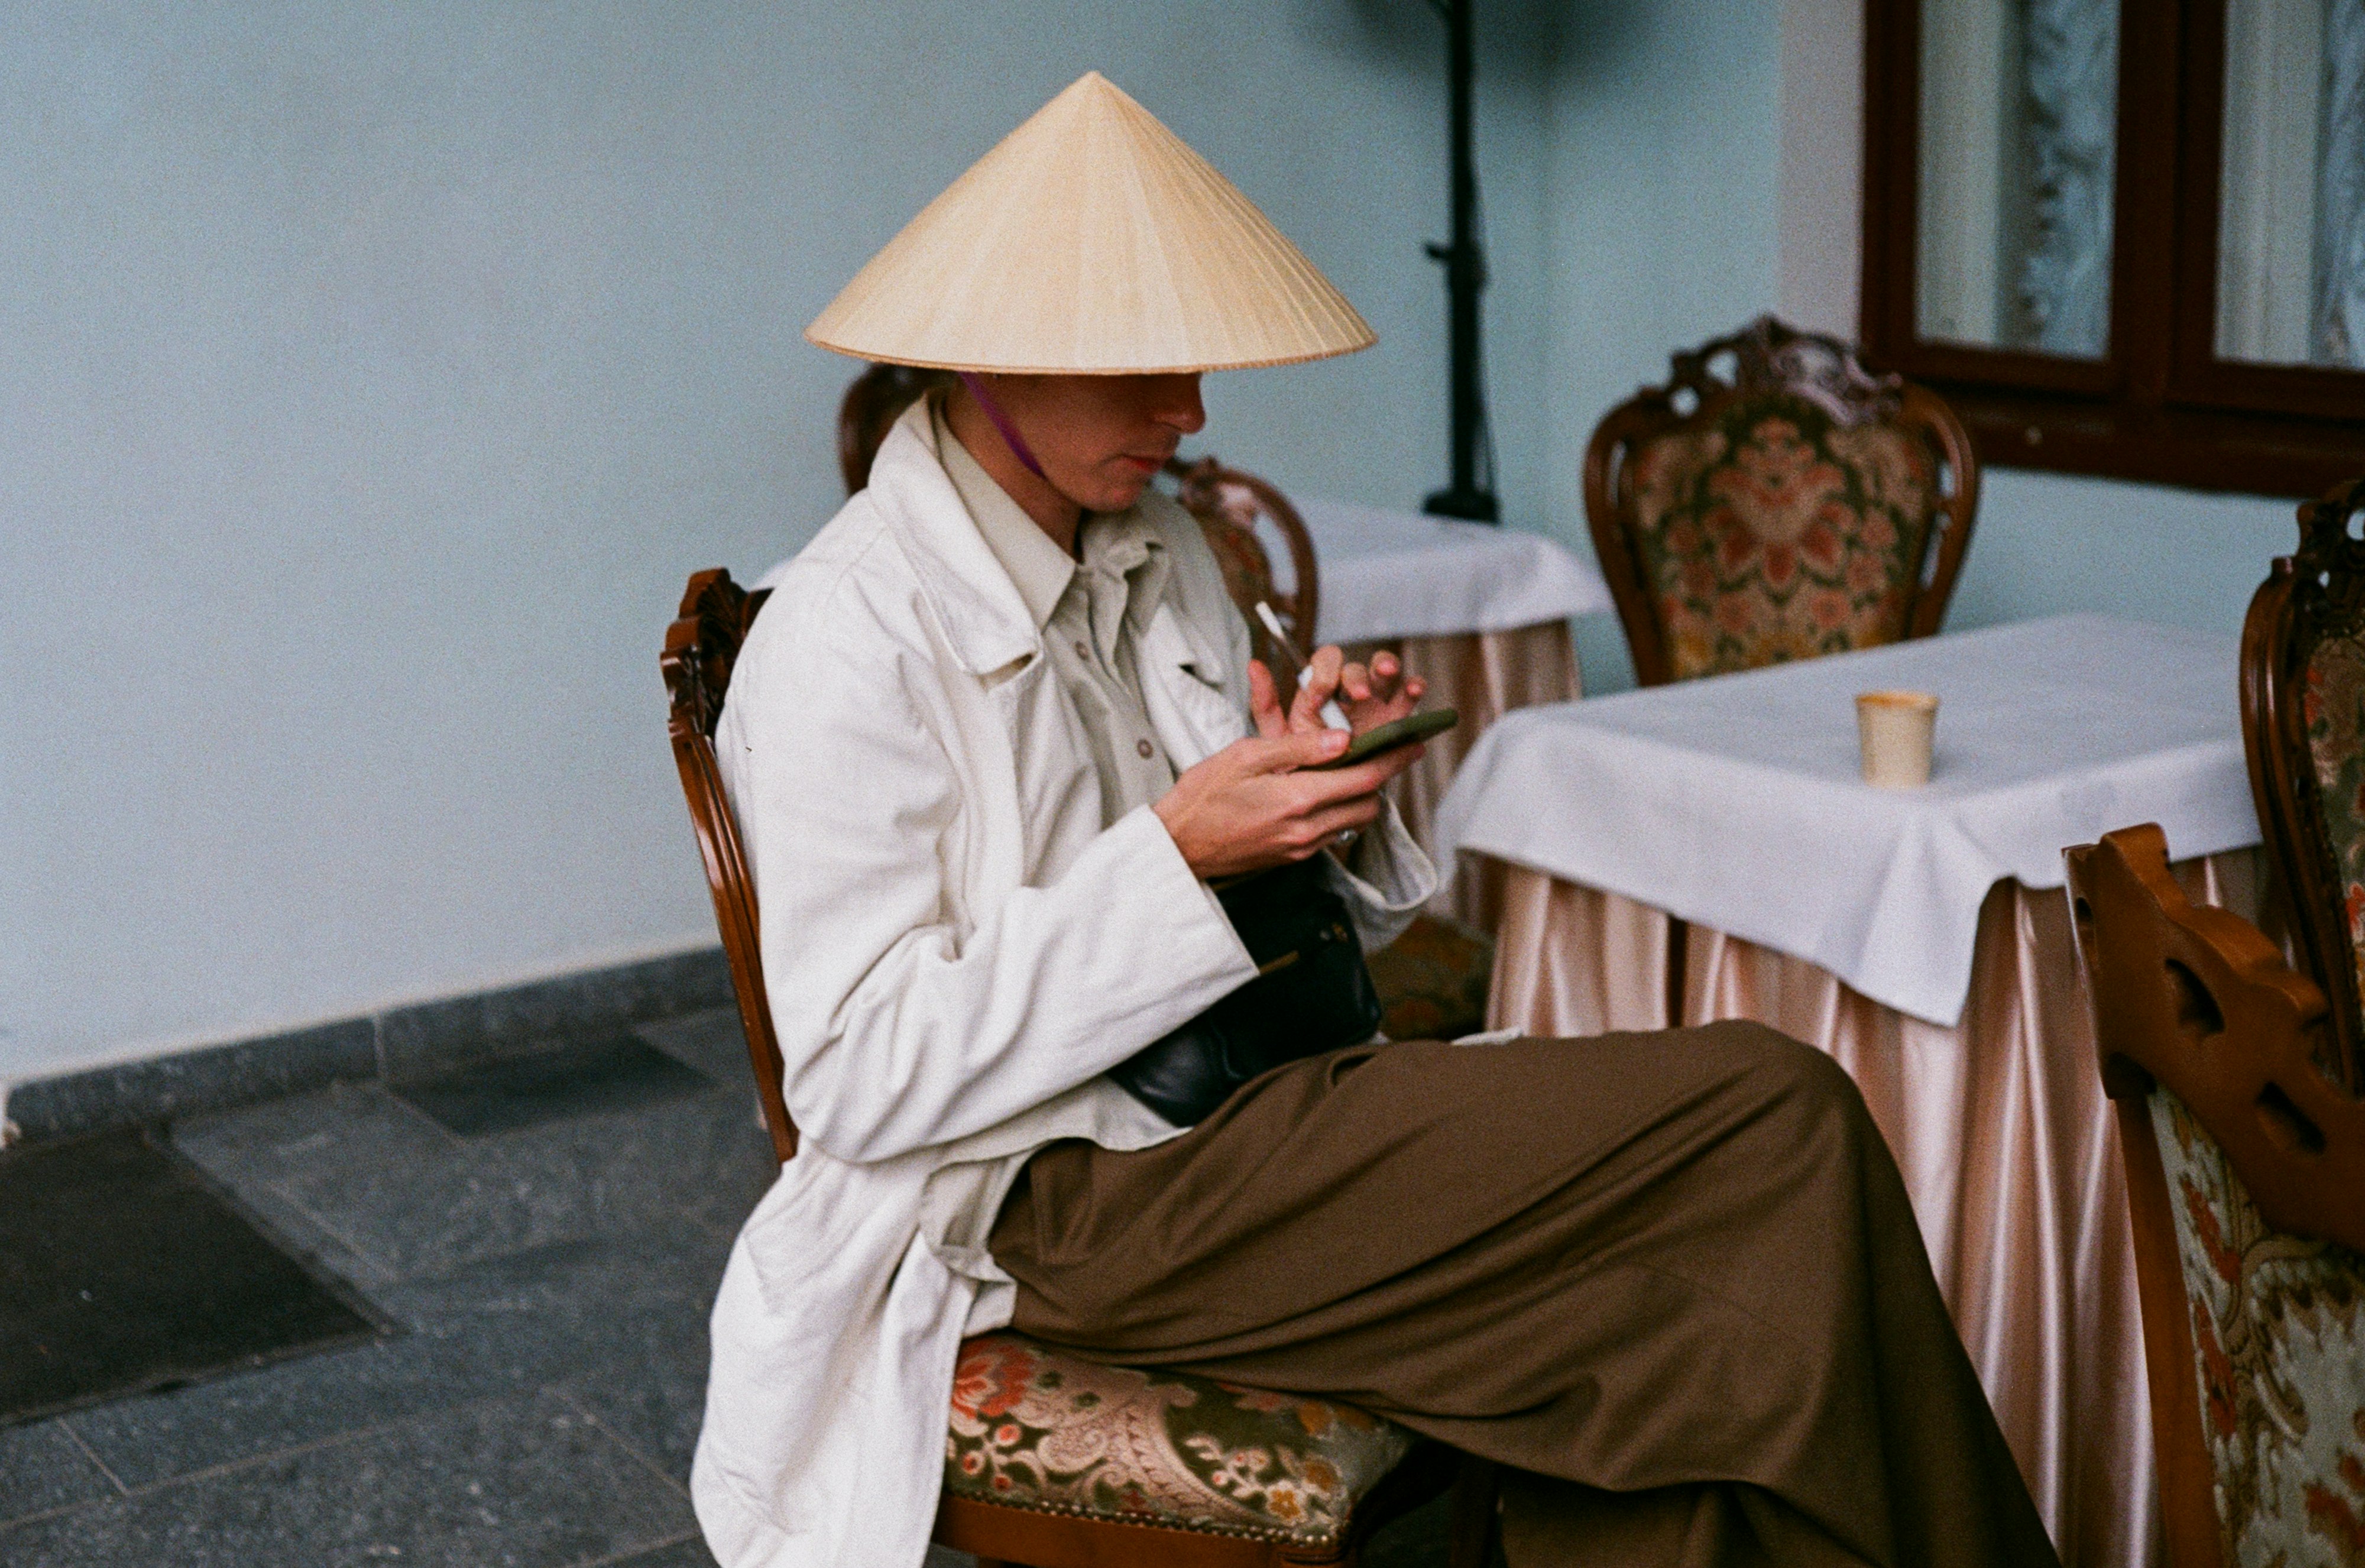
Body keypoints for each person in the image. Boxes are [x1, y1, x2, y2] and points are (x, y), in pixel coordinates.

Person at [691, 72, 2059, 1568]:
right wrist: (1178, 855)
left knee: (1668, 1333)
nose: (1190, 411)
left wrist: (1317, 783)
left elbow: (1287, 905)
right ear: (990, 366)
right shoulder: (844, 638)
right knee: (1772, 1118)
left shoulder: (1153, 544)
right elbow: (852, 1080)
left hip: (1248, 1101)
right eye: (1144, 368)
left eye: (1197, 365)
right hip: (1056, 1193)